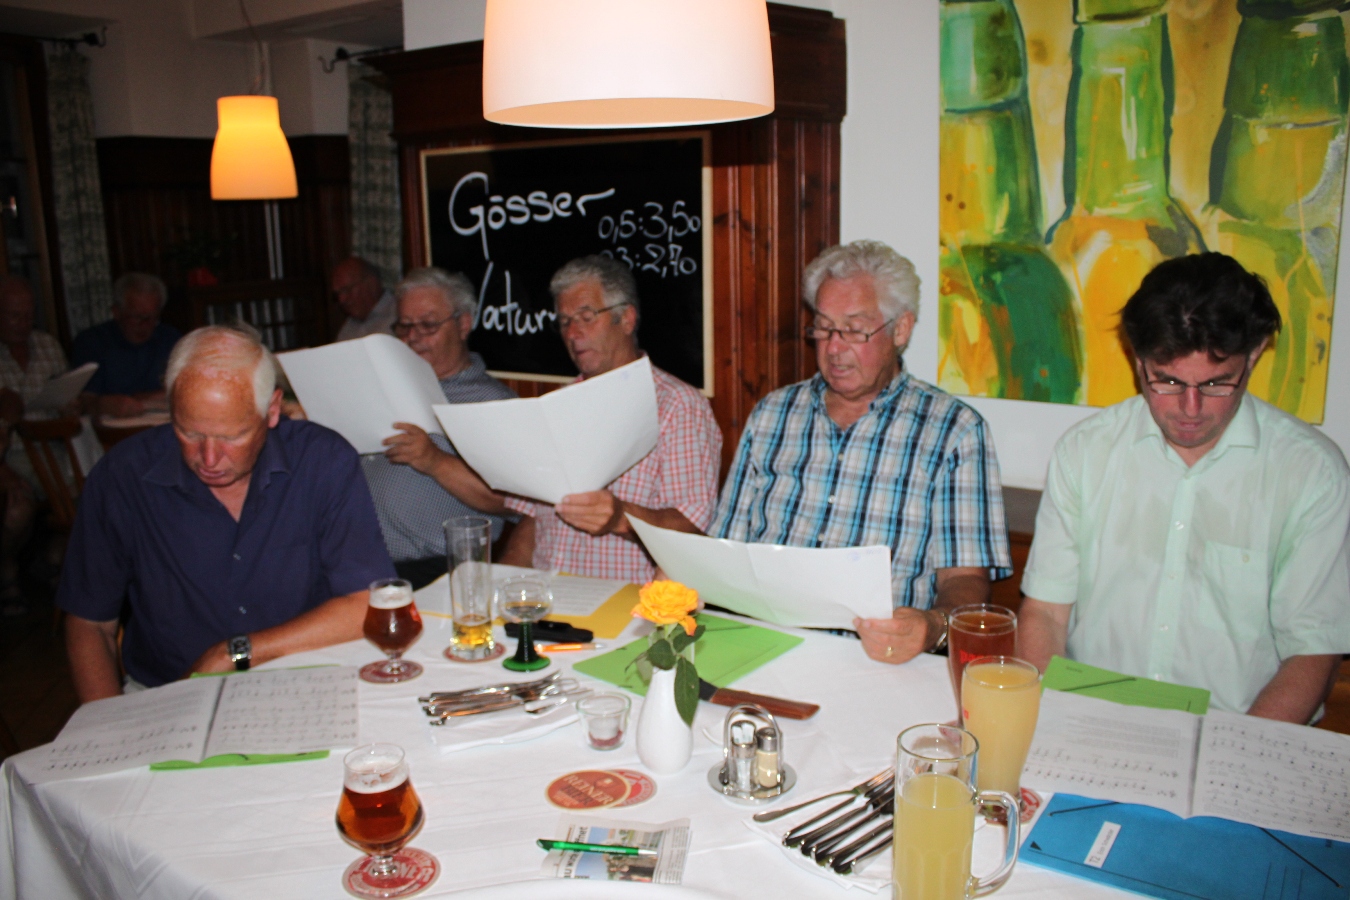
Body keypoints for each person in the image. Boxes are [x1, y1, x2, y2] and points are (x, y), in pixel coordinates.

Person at [1019, 253, 1350, 722]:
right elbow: (1046, 614)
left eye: (1217, 384)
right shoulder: (1086, 451)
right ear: (1138, 360)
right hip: (1094, 717)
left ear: (1254, 354)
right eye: (1168, 381)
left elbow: (1313, 651)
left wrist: (1236, 752)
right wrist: (1047, 719)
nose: (1190, 408)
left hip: (1239, 730)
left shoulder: (1311, 471)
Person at [709, 240, 1011, 664]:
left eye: (854, 330)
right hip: (761, 648)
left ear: (901, 329)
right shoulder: (773, 414)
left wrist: (931, 626)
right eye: (823, 328)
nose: (833, 348)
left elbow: (966, 581)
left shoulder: (953, 431)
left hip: (875, 660)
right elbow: (724, 548)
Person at [57, 324, 395, 702]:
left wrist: (232, 654)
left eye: (232, 437)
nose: (209, 459)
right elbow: (90, 624)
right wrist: (107, 726)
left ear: (272, 410)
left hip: (305, 683)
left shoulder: (322, 461)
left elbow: (365, 604)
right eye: (189, 433)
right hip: (167, 696)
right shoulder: (122, 477)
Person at [500, 255, 722, 583]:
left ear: (627, 318)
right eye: (564, 321)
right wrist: (503, 584)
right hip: (546, 595)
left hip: (626, 599)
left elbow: (690, 527)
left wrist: (620, 517)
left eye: (586, 317)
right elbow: (534, 518)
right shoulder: (555, 406)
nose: (573, 333)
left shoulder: (678, 406)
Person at [361, 267, 516, 588]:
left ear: (463, 324)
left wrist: (433, 460)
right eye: (404, 326)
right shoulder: (380, 386)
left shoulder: (492, 402)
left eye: (428, 325)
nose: (413, 337)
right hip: (356, 558)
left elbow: (510, 501)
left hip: (435, 570)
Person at [72, 272, 182, 417]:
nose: (144, 325)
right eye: (137, 317)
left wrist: (147, 397)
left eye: (152, 318)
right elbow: (84, 400)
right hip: (108, 426)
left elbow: (186, 387)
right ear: (117, 312)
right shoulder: (92, 342)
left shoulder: (170, 338)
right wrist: (102, 404)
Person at [0, 274, 66, 414]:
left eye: (29, 316)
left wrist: (71, 406)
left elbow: (67, 395)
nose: (23, 323)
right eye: (15, 316)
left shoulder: (48, 345)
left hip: (52, 427)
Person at [332, 257, 397, 341]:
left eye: (346, 290)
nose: (342, 299)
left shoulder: (398, 313)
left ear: (371, 284)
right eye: (337, 294)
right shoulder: (348, 328)